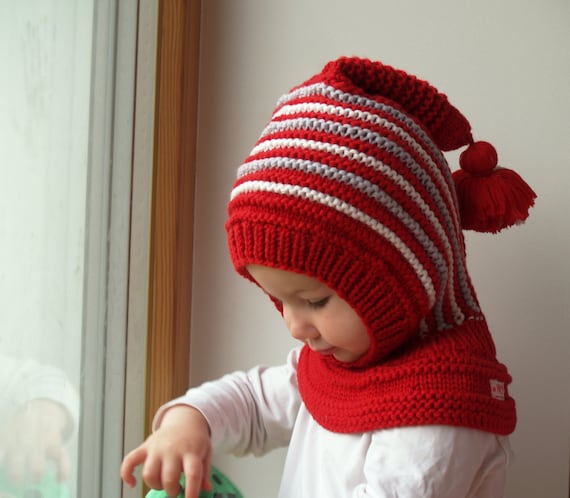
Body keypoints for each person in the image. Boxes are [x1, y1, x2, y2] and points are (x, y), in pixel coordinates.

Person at [121, 56, 536, 498]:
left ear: (404, 281)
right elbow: (254, 403)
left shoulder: (441, 415)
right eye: (280, 301)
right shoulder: (339, 363)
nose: (295, 326)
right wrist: (188, 422)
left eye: (314, 301)